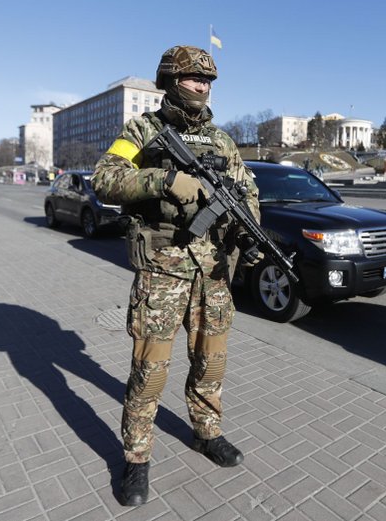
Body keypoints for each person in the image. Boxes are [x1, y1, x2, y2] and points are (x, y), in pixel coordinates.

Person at [91, 46, 260, 507]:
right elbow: (103, 179)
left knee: (212, 364)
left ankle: (207, 433)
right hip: (163, 270)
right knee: (149, 372)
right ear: (169, 80)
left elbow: (247, 191)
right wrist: (162, 182)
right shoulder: (142, 130)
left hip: (213, 274)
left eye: (207, 80)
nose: (202, 86)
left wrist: (248, 236)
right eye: (192, 77)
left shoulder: (223, 141)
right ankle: (137, 458)